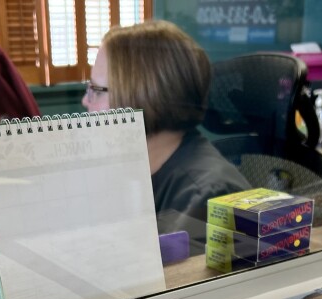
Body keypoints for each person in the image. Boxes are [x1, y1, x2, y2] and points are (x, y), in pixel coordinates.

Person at [82, 21, 250, 255]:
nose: (85, 101)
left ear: (143, 95)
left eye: (96, 90)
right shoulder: (140, 169)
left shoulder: (206, 197)